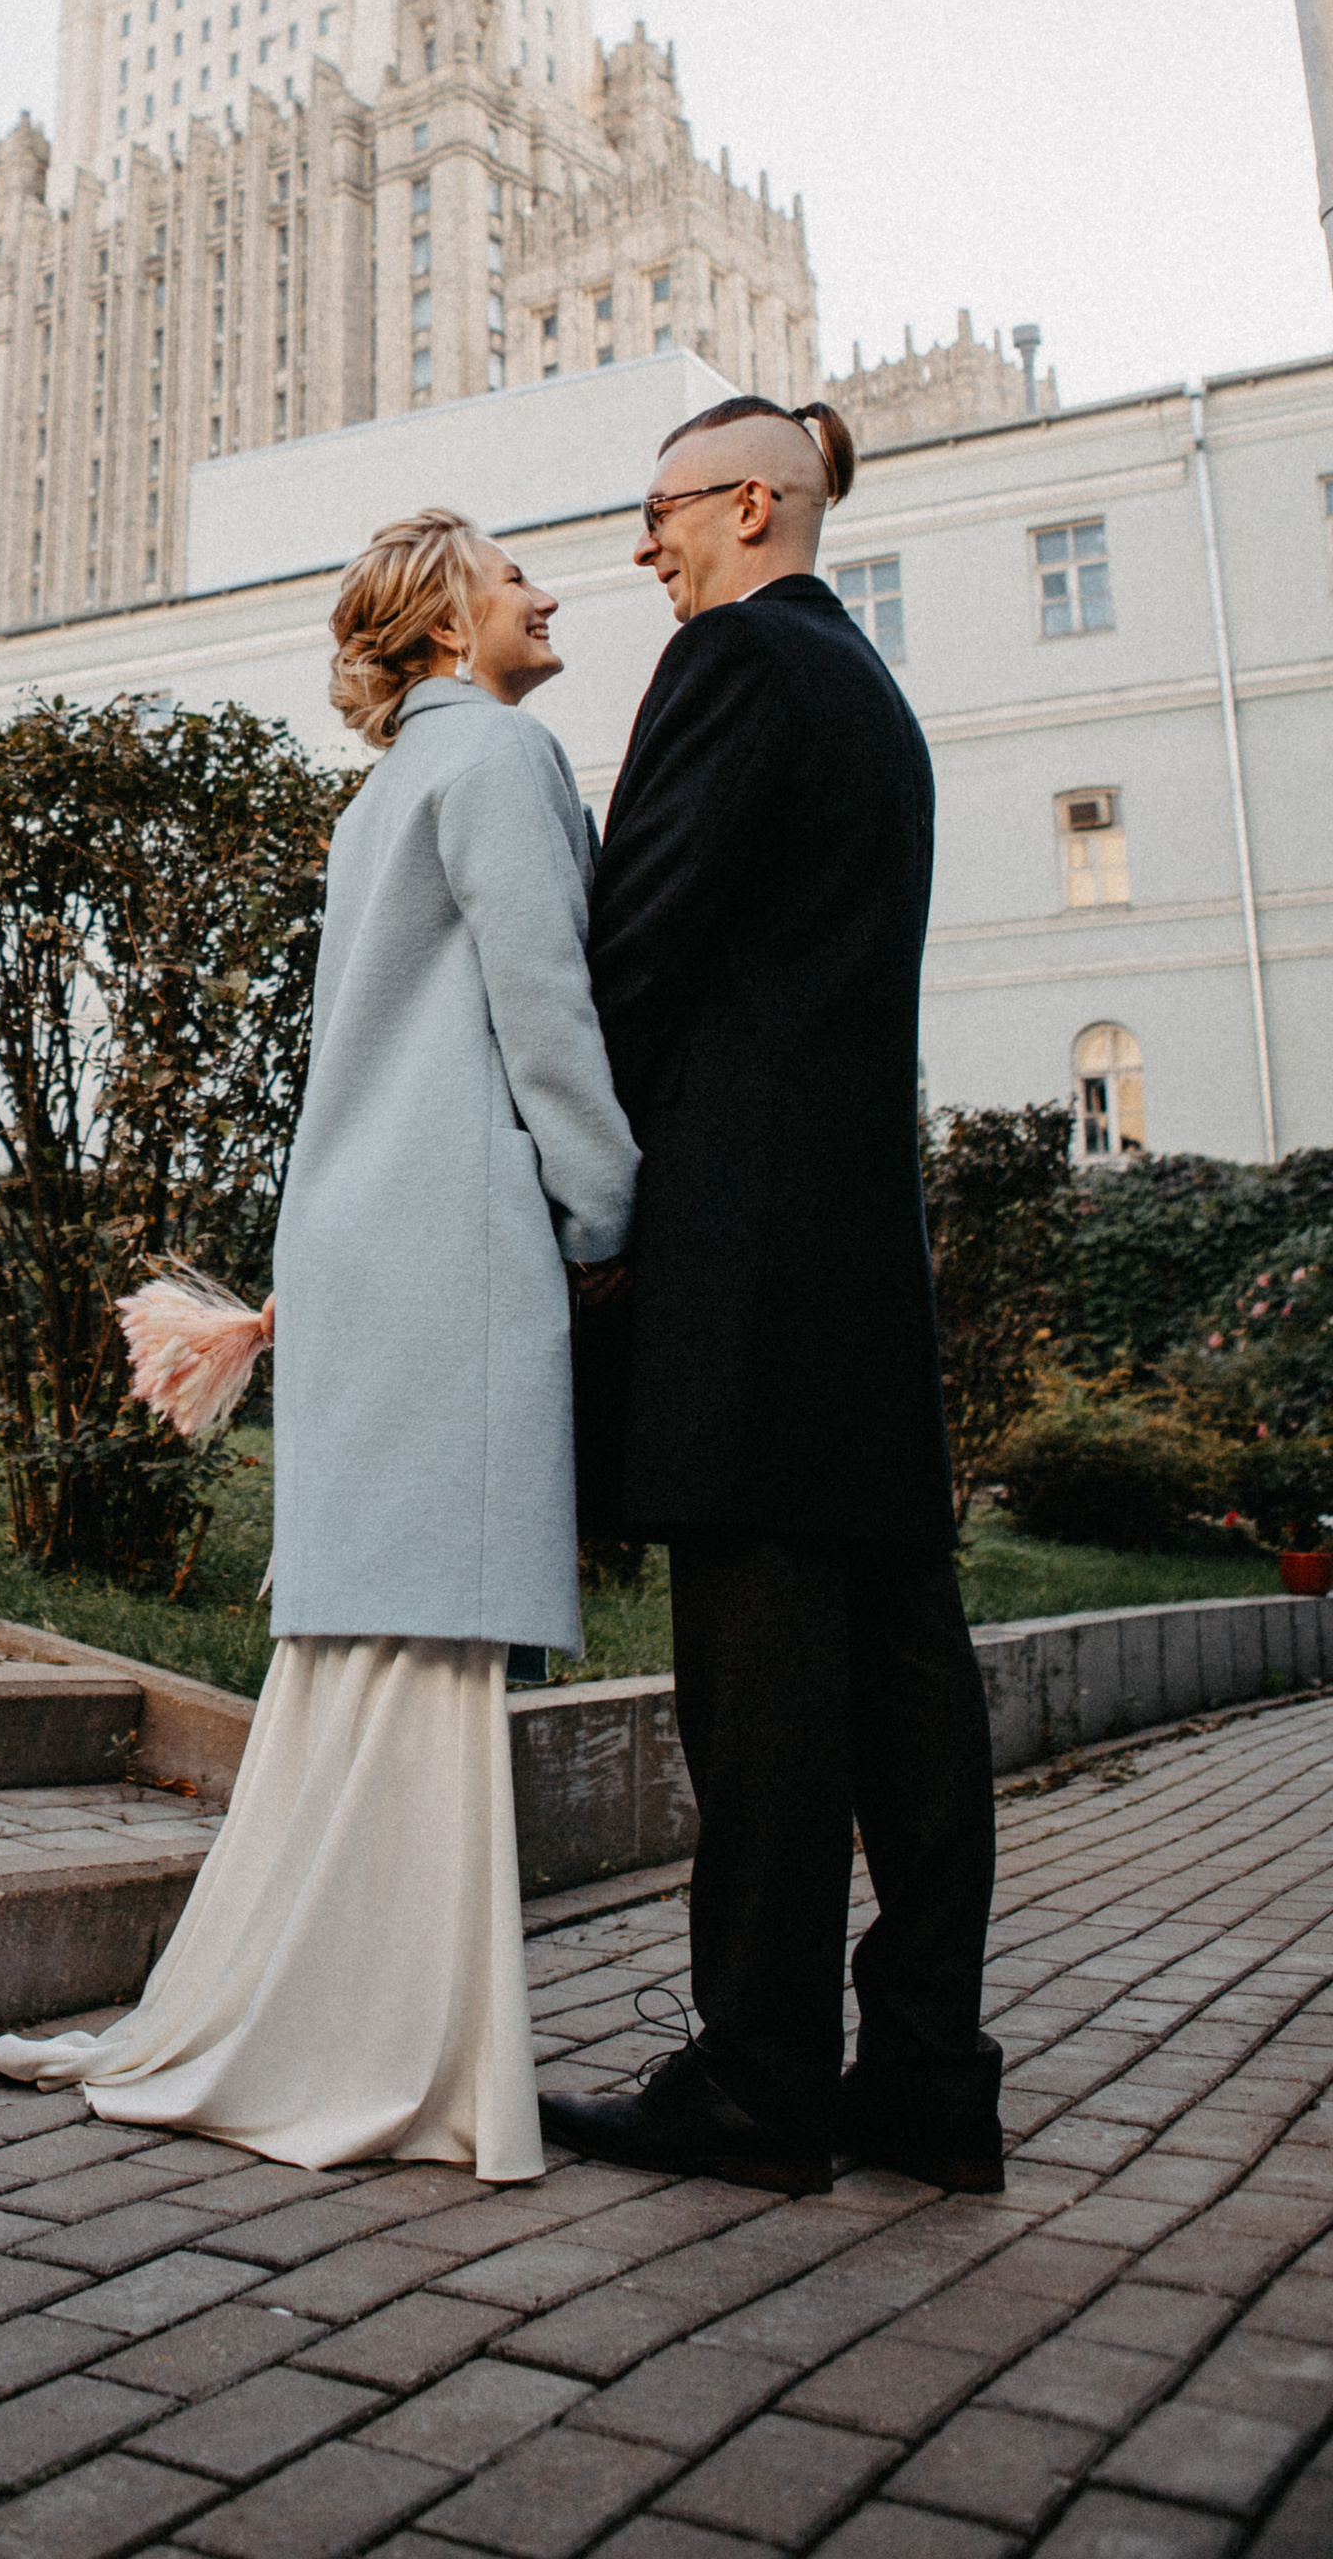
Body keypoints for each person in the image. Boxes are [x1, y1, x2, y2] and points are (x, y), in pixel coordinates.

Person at [0, 506, 638, 2170]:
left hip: (359, 1248)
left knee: (372, 1650)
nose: (547, 590)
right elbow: (545, 1007)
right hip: (455, 1247)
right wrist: (609, 1205)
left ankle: (334, 2010)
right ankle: (387, 2044)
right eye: (513, 577)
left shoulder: (376, 802)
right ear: (443, 623)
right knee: (427, 1649)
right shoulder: (502, 760)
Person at [543, 395, 1002, 2203]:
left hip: (741, 1272)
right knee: (908, 1689)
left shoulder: (730, 662)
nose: (641, 548)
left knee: (764, 1701)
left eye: (657, 512)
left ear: (749, 504)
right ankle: (929, 2080)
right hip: (865, 1276)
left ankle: (754, 2083)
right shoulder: (877, 704)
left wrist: (563, 1174)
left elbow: (639, 943)